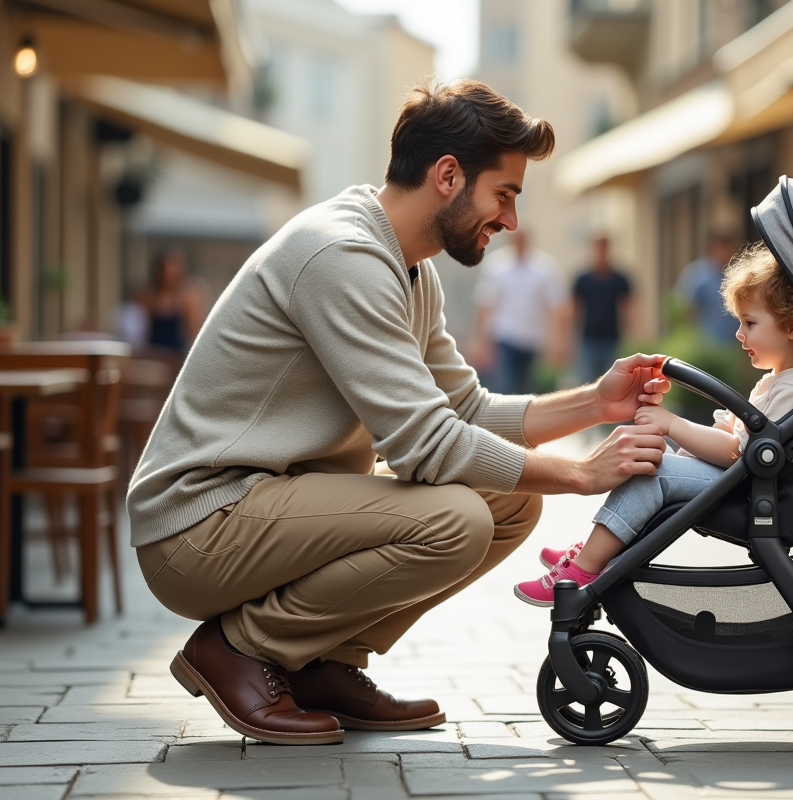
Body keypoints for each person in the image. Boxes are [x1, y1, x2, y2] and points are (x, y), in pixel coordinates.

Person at [128, 79, 672, 747]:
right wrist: (579, 476)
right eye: (505, 194)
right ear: (449, 176)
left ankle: (322, 662)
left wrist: (596, 401)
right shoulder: (342, 255)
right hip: (200, 524)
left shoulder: (410, 268)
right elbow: (426, 447)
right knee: (457, 518)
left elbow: (464, 408)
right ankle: (240, 648)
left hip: (266, 504)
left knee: (508, 505)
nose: (510, 220)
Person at [515, 242, 793, 605]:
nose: (739, 333)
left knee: (653, 472)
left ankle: (584, 568)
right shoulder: (779, 380)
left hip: (755, 491)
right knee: (648, 450)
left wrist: (671, 423)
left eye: (749, 323)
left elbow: (741, 453)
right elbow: (730, 434)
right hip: (745, 480)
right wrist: (672, 434)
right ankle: (598, 548)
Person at [471, 229, 567, 394]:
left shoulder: (545, 267)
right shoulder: (496, 266)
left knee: (526, 389)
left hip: (532, 338)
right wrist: (480, 341)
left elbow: (557, 306)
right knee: (505, 387)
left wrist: (558, 339)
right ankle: (504, 419)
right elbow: (485, 305)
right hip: (504, 336)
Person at [572, 236, 632, 385]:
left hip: (612, 340)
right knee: (586, 386)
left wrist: (633, 336)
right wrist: (568, 339)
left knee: (612, 385)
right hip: (588, 340)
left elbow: (629, 308)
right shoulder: (583, 279)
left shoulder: (619, 279)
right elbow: (574, 309)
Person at [138, 248, 206, 353]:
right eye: (165, 269)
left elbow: (194, 331)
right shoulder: (149, 297)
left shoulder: (187, 297)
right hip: (154, 353)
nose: (168, 273)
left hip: (176, 354)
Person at [675, 232, 739, 340]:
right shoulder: (698, 274)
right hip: (704, 344)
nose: (724, 253)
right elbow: (684, 308)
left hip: (733, 344)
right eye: (721, 248)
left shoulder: (738, 275)